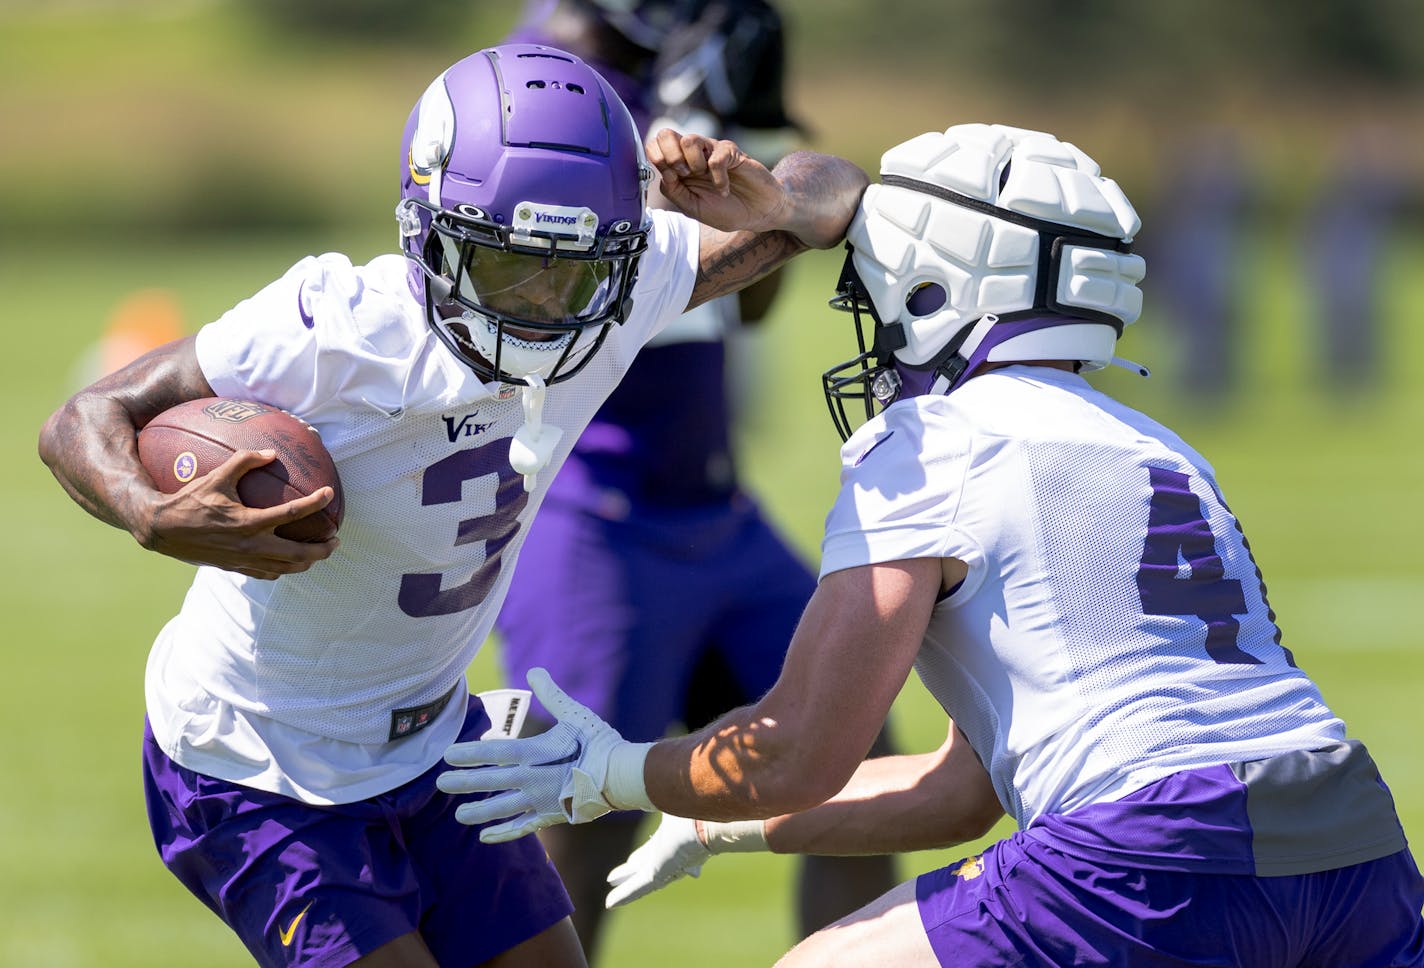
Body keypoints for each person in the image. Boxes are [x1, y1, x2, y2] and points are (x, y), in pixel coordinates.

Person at [437, 122, 1424, 966]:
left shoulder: (934, 441)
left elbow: (792, 745)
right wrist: (707, 815)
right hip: (1354, 846)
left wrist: (612, 771)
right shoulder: (1161, 447)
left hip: (1153, 846)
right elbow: (963, 786)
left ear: (931, 296)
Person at [36, 41, 870, 968]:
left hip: (433, 735)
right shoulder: (340, 327)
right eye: (509, 268)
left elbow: (833, 193)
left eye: (575, 273)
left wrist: (766, 196)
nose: (545, 308)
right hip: (259, 758)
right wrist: (147, 512)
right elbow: (86, 413)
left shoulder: (625, 287)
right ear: (424, 232)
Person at [494, 1, 895, 957]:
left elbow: (744, 310)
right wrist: (660, 178)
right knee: (581, 828)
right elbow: (552, 309)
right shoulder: (537, 86)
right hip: (590, 510)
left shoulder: (677, 63)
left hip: (714, 512)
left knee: (864, 781)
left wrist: (741, 169)